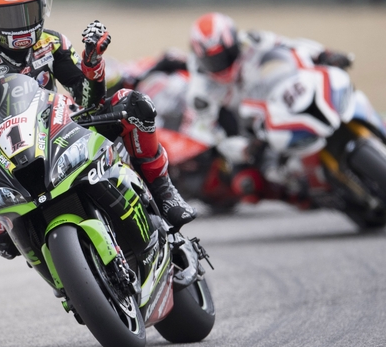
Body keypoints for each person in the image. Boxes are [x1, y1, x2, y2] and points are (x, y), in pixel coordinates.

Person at [0, 0, 196, 260]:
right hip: (14, 155)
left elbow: (90, 99)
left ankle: (163, 190)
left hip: (61, 129)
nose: (19, 25)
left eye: (26, 12)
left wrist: (93, 63)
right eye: (8, 16)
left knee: (135, 105)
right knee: (3, 237)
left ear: (41, 8)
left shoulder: (52, 44)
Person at [110, 12, 356, 203]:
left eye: (227, 54)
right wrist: (245, 150)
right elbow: (215, 135)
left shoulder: (251, 41)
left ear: (234, 44)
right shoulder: (200, 89)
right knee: (251, 183)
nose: (223, 63)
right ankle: (302, 195)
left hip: (273, 102)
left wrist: (323, 54)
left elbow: (290, 46)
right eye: (214, 60)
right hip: (246, 129)